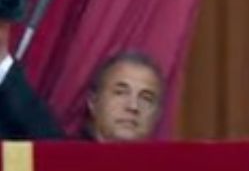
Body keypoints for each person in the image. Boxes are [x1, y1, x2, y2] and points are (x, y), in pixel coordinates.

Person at [0, 28, 166, 141]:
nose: (133, 106)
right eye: (120, 92)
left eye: (146, 98)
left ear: (157, 114)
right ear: (93, 102)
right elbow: (28, 112)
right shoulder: (56, 154)